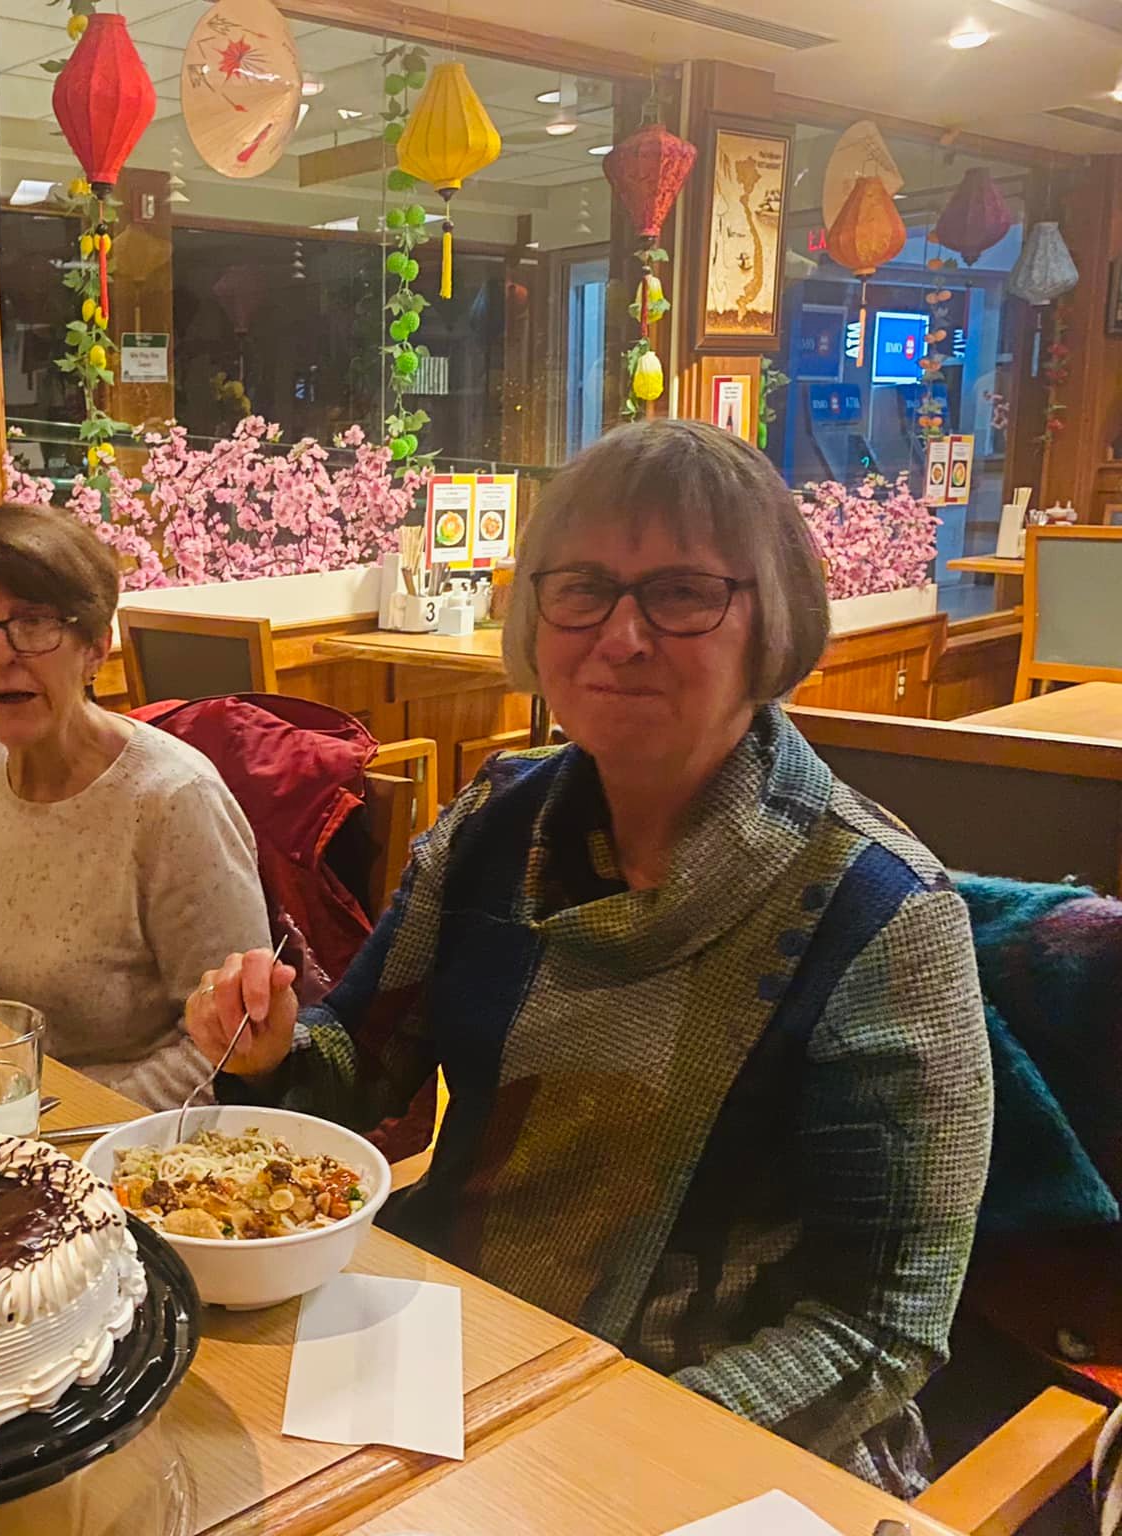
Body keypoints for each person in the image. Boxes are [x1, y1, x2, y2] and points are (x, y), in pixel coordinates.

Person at [186, 420, 992, 1495]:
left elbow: (880, 1327)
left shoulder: (881, 916)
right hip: (450, 1350)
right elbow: (362, 1066)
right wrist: (268, 1050)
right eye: (582, 589)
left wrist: (612, 1440)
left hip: (715, 1436)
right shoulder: (492, 824)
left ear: (773, 621)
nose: (621, 636)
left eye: (681, 594)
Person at [0, 505, 271, 1108]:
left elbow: (230, 1049)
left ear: (95, 647)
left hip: (123, 1133)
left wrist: (61, 1119)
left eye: (35, 623)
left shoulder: (173, 799)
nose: (1, 654)